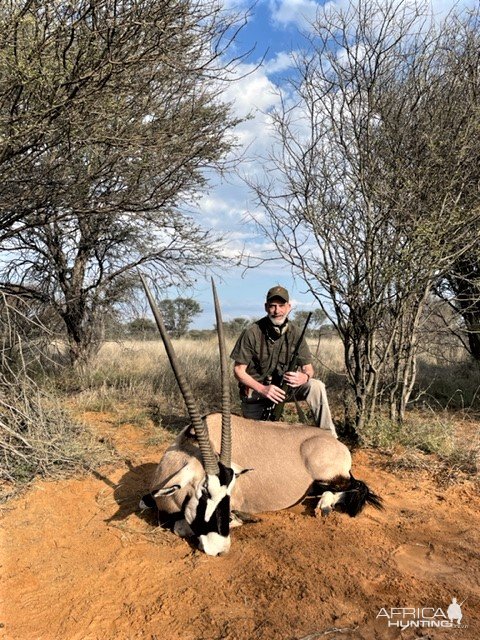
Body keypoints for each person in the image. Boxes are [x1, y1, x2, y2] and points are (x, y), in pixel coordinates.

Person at [230, 285, 337, 437]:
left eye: (281, 306)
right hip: (257, 393)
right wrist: (263, 389)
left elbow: (309, 369)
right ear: (266, 307)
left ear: (289, 307)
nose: (277, 311)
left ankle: (330, 436)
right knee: (258, 439)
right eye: (273, 306)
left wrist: (304, 377)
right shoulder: (251, 332)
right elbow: (238, 371)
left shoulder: (296, 332)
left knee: (316, 386)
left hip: (283, 390)